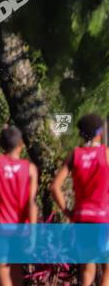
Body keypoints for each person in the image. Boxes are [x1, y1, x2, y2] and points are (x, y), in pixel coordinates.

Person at [0, 125, 38, 286]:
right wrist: (33, 234)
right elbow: (31, 204)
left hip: (0, 228)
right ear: (21, 144)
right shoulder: (30, 169)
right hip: (21, 229)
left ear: (4, 145)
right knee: (16, 272)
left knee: (3, 273)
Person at [51, 113, 109, 286]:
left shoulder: (74, 155)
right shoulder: (106, 154)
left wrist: (68, 211)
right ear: (100, 133)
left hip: (82, 217)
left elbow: (54, 187)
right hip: (103, 216)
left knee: (86, 267)